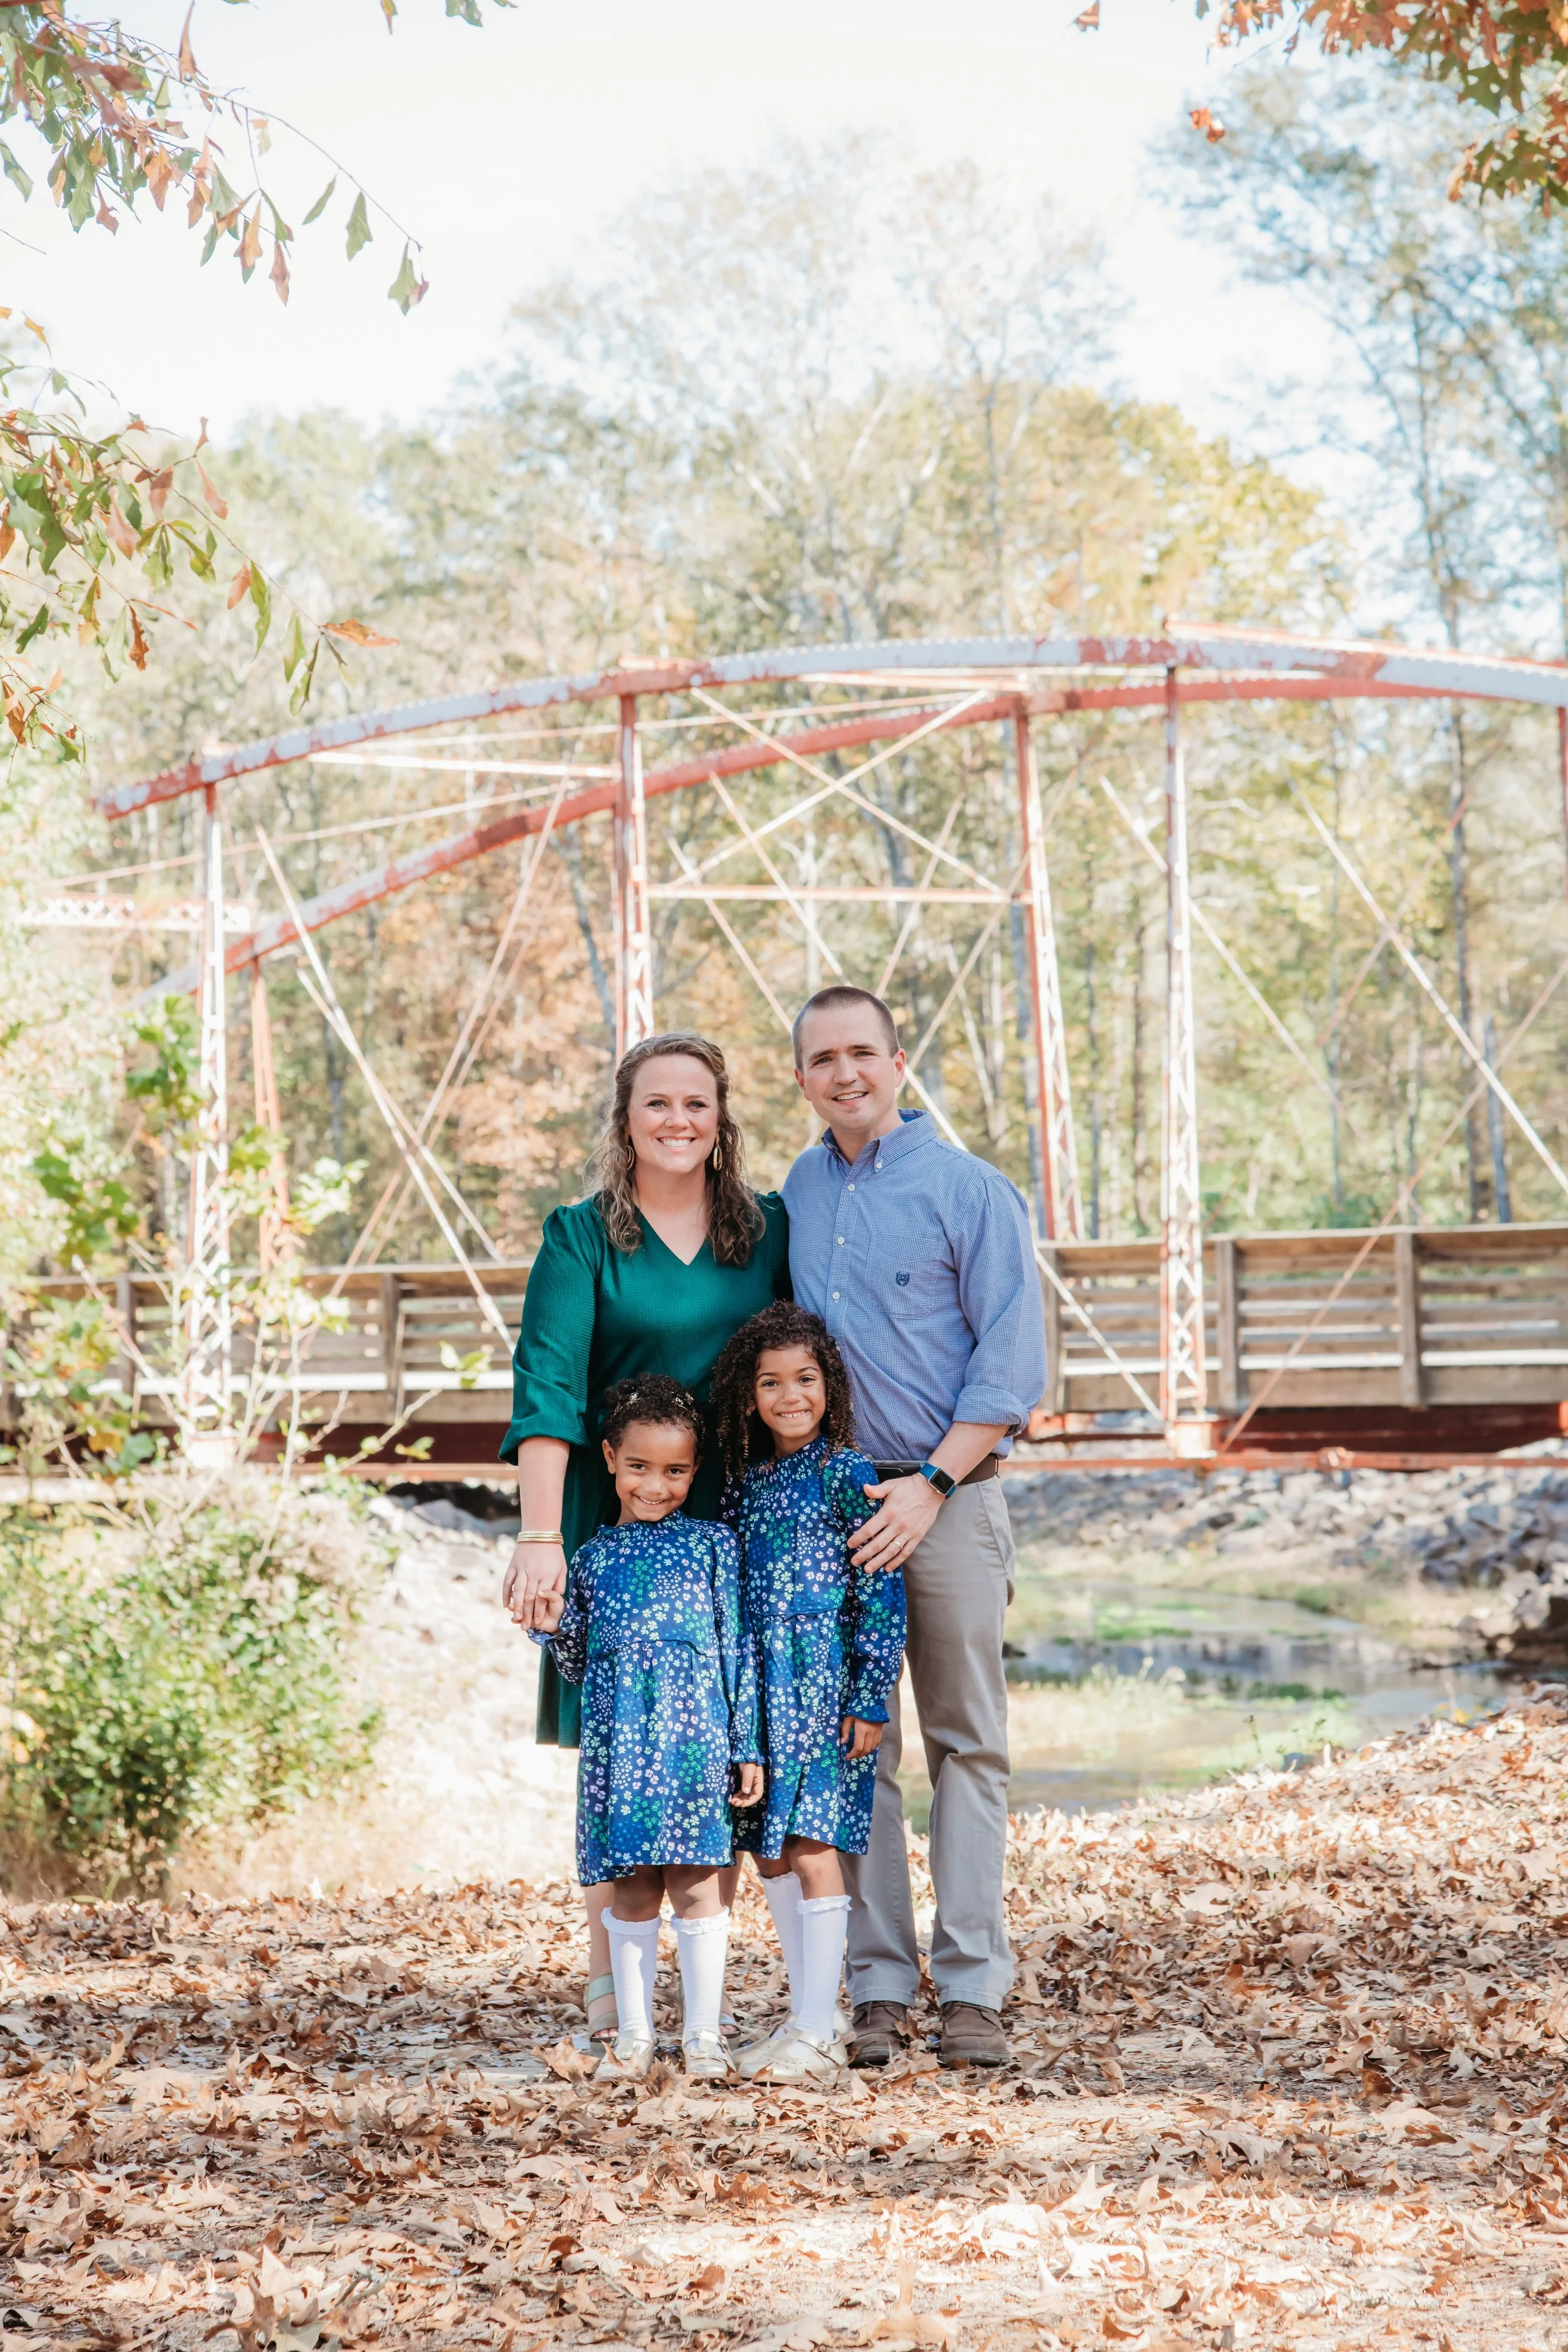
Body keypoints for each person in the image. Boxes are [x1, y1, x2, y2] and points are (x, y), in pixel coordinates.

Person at [499, 1032, 792, 2047]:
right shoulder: (582, 1237)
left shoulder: (767, 1230)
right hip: (615, 1518)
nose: (678, 1121)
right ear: (625, 1118)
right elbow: (546, 1388)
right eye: (657, 1103)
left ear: (724, 1120)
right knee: (620, 1747)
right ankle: (608, 1987)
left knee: (735, 1737)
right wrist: (542, 1536)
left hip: (739, 1522)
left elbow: (809, 1360)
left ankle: (728, 1996)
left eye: (697, 1105)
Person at [782, 983, 1046, 2070]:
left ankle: (975, 1985)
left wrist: (932, 1483)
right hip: (838, 1513)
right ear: (802, 1078)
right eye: (822, 1060)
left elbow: (1012, 1366)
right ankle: (881, 1987)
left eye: (862, 1054)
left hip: (948, 1501)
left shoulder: (970, 1190)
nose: (845, 1074)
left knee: (966, 1744)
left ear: (898, 1061)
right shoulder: (797, 1190)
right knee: (862, 1751)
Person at [532, 1374, 763, 2082]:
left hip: (697, 1744)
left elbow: (738, 1647)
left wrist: (746, 1744)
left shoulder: (714, 1547)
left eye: (674, 1471)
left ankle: (702, 2035)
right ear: (609, 1459)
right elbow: (575, 1661)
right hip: (620, 1746)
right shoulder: (594, 1557)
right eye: (639, 1467)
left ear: (695, 1470)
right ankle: (633, 2037)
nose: (655, 1486)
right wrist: (548, 1623)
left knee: (697, 1884)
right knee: (631, 1886)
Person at [708, 1302, 906, 2084]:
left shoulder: (844, 1473)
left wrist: (870, 1693)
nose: (791, 1396)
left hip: (823, 1678)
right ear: (747, 1395)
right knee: (774, 1850)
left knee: (815, 1842)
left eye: (805, 1379)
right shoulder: (744, 1484)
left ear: (829, 1386)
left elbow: (879, 1590)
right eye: (771, 1383)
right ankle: (806, 2016)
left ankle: (822, 2030)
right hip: (761, 1686)